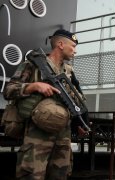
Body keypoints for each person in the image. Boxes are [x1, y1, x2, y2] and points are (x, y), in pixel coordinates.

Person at [3, 29, 81, 179]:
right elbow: (8, 90)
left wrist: (79, 123)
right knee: (32, 175)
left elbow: (76, 99)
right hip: (37, 133)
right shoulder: (33, 64)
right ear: (60, 44)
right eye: (73, 46)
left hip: (63, 135)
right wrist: (33, 86)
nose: (75, 51)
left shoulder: (69, 72)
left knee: (60, 175)